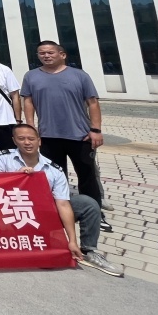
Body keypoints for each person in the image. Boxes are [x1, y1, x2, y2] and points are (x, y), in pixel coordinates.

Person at [0, 124, 122, 277]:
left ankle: (88, 251)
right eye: (21, 139)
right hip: (9, 214)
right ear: (14, 141)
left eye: (31, 139)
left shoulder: (53, 170)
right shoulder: (2, 159)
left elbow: (63, 204)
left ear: (39, 141)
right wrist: (16, 177)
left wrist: (71, 240)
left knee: (87, 203)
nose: (27, 142)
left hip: (41, 215)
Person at [22, 40, 107, 220]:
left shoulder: (80, 75)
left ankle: (94, 212)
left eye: (50, 52)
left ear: (62, 55)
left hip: (80, 136)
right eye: (42, 53)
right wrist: (30, 127)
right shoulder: (31, 76)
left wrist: (96, 129)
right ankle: (56, 211)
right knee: (53, 175)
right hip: (48, 136)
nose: (46, 56)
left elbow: (93, 103)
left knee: (87, 175)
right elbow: (28, 102)